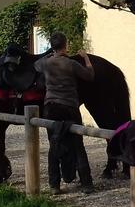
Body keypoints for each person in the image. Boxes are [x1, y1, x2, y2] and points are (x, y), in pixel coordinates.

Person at [34, 32, 95, 194]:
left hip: (51, 107)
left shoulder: (45, 64)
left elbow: (35, 65)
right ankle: (86, 183)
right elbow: (90, 76)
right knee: (77, 144)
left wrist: (50, 54)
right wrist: (86, 58)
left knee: (54, 144)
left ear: (53, 46)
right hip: (69, 107)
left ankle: (54, 185)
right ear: (66, 45)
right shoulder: (71, 64)